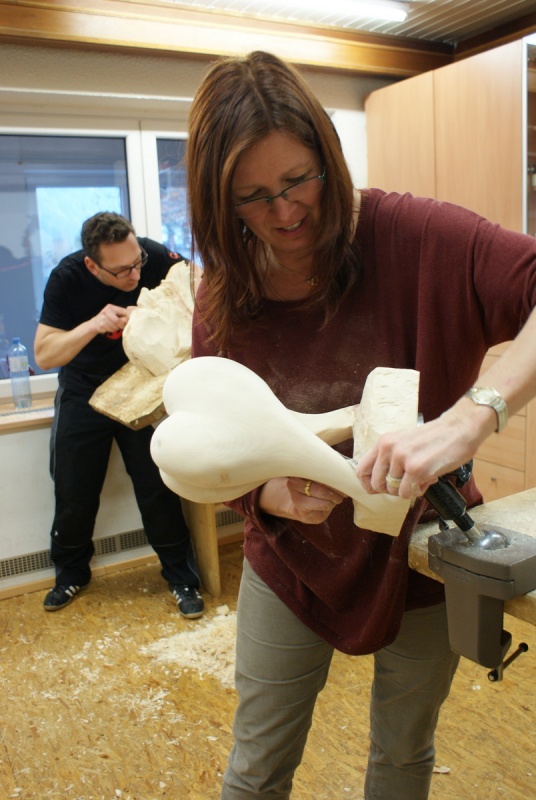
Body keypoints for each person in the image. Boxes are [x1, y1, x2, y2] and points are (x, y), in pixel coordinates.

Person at [185, 50, 536, 799]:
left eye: (298, 180)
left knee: (403, 755)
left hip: (422, 553)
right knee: (256, 766)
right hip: (292, 561)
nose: (285, 213)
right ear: (221, 204)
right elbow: (212, 442)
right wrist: (266, 494)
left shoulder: (416, 235)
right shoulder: (224, 295)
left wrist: (475, 414)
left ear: (329, 157)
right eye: (253, 198)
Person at [34, 212, 204, 619]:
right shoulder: (67, 278)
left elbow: (202, 289)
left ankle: (180, 576)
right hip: (84, 389)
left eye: (137, 262)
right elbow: (44, 355)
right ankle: (70, 573)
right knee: (74, 486)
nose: (135, 274)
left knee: (156, 484)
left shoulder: (152, 255)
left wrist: (150, 315)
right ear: (92, 265)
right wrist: (93, 325)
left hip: (141, 384)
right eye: (122, 270)